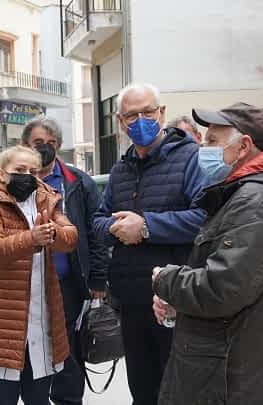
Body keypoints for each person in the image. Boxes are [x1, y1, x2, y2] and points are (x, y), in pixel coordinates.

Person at [151, 102, 263, 405]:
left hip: (236, 380)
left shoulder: (255, 201)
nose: (203, 149)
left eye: (213, 141)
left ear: (243, 147)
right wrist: (178, 305)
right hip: (232, 370)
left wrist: (166, 280)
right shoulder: (244, 195)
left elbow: (223, 289)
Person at [92, 83, 207, 405]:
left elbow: (204, 219)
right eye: (132, 115)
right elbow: (98, 220)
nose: (140, 121)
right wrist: (117, 228)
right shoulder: (121, 169)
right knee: (141, 390)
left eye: (148, 112)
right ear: (120, 121)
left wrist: (145, 227)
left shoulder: (191, 159)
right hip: (131, 301)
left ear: (162, 113)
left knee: (176, 392)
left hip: (175, 300)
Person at [0, 145, 78, 405]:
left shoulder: (46, 197)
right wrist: (31, 239)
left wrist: (52, 232)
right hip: (3, 323)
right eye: (20, 170)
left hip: (41, 320)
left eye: (33, 171)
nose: (27, 176)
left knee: (39, 398)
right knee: (1, 398)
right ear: (1, 173)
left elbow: (70, 237)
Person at [20, 117, 108, 405]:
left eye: (51, 143)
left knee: (68, 350)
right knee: (33, 351)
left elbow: (95, 231)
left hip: (68, 285)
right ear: (24, 145)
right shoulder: (13, 182)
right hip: (26, 285)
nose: (44, 148)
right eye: (37, 143)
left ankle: (68, 400)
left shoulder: (77, 182)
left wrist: (98, 278)